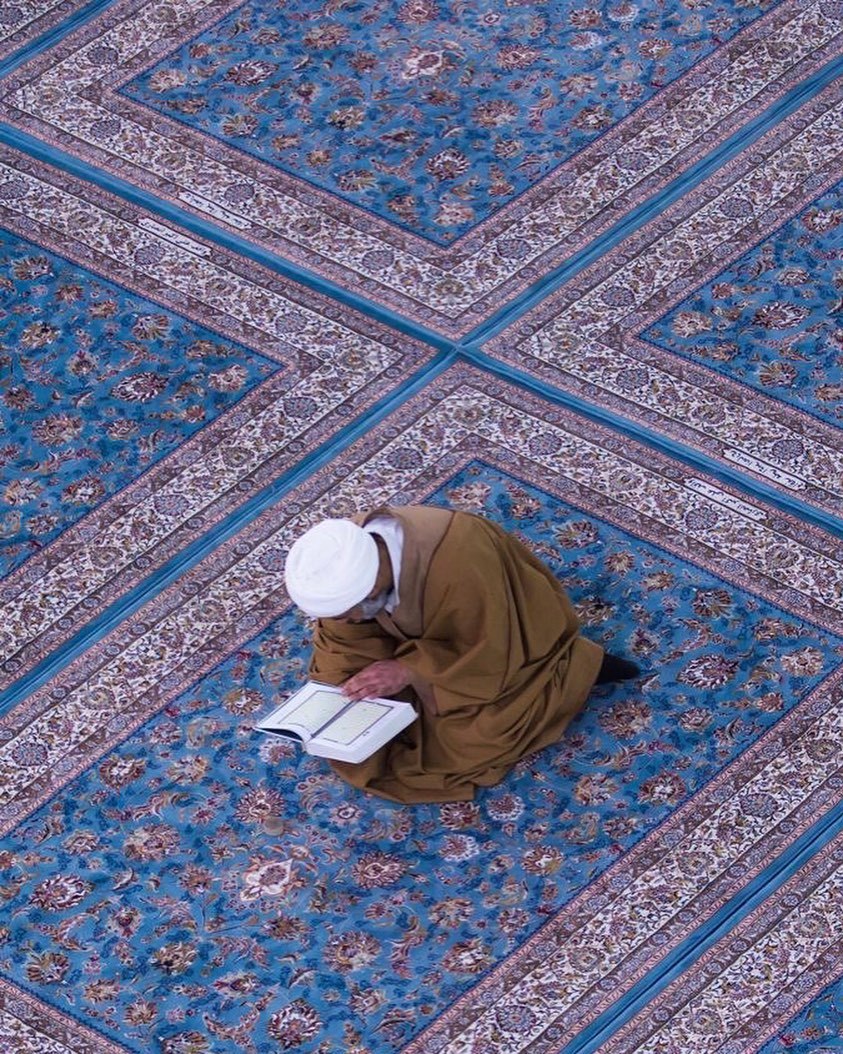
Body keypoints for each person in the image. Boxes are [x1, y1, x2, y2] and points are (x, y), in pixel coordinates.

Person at [283, 505, 639, 804]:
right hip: (431, 641)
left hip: (501, 642)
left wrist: (409, 670)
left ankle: (577, 668)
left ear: (374, 581)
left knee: (474, 737)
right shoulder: (347, 569)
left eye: (351, 610)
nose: (348, 618)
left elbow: (490, 647)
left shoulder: (458, 561)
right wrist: (334, 696)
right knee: (354, 719)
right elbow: (343, 638)